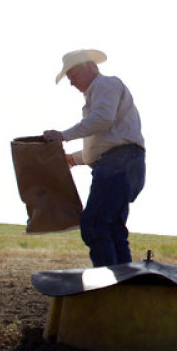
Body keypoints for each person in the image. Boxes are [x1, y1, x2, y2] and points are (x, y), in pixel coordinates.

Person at [43, 49, 146, 267]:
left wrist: (63, 136)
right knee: (114, 229)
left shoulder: (104, 85)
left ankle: (109, 287)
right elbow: (106, 139)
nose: (72, 83)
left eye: (73, 75)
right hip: (125, 162)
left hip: (118, 164)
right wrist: (75, 158)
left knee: (94, 224)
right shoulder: (100, 93)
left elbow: (102, 121)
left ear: (90, 66)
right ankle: (124, 286)